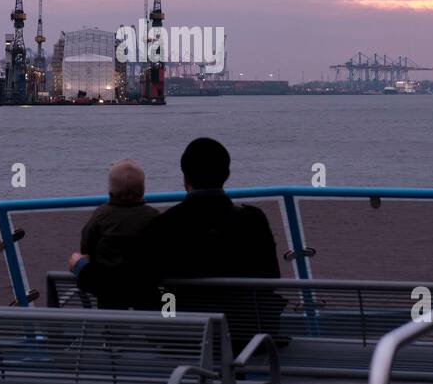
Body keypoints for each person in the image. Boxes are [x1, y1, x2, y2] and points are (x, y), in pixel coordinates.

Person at [69, 138, 282, 338]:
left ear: (185, 178)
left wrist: (82, 268)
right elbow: (270, 280)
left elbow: (129, 284)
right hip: (247, 337)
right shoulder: (253, 222)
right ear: (226, 174)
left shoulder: (165, 226)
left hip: (184, 337)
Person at [74, 159, 160, 309]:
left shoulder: (101, 215)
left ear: (110, 190)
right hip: (143, 288)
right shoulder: (153, 216)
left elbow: (86, 247)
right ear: (143, 189)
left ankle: (110, 330)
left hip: (108, 288)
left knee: (75, 259)